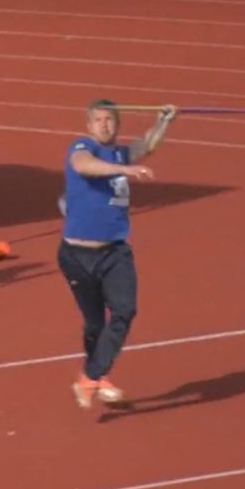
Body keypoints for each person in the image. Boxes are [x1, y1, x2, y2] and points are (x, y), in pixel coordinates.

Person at [59, 99, 177, 409]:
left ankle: (91, 376)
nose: (104, 125)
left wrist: (163, 120)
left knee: (124, 310)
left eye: (110, 120)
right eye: (98, 120)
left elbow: (147, 145)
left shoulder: (121, 153)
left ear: (118, 125)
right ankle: (98, 374)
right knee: (94, 324)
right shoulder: (82, 147)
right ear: (89, 125)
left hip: (114, 252)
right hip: (77, 255)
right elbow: (83, 166)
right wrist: (124, 169)